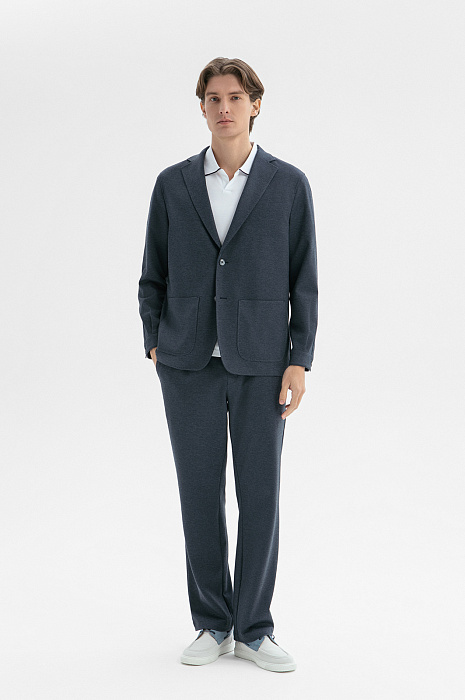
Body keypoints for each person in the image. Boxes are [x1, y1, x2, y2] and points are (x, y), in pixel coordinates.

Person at [138, 57, 318, 673]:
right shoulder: (173, 184)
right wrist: (154, 339)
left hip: (263, 361)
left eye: (235, 97)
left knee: (260, 495)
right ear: (202, 107)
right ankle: (212, 623)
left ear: (255, 105)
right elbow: (152, 272)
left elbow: (305, 278)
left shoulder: (288, 184)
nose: (224, 108)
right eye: (213, 98)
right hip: (186, 361)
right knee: (199, 494)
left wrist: (299, 359)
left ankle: (255, 629)